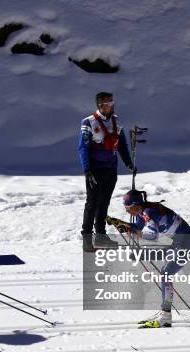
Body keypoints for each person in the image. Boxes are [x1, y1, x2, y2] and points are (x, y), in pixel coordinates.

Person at [108, 190, 190, 328]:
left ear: (136, 205)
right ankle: (164, 312)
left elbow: (151, 236)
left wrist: (131, 230)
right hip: (180, 243)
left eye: (127, 208)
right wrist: (119, 222)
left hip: (187, 244)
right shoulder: (144, 210)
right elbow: (138, 227)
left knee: (166, 274)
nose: (127, 212)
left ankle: (166, 316)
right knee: (164, 273)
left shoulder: (148, 212)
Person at [78, 91, 134, 252]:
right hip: (95, 170)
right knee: (92, 204)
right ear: (100, 105)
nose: (111, 105)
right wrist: (87, 169)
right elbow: (83, 147)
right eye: (108, 103)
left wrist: (128, 163)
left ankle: (101, 236)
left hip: (111, 169)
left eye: (112, 102)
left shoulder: (117, 121)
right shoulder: (88, 122)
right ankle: (87, 239)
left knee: (104, 203)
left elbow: (122, 146)